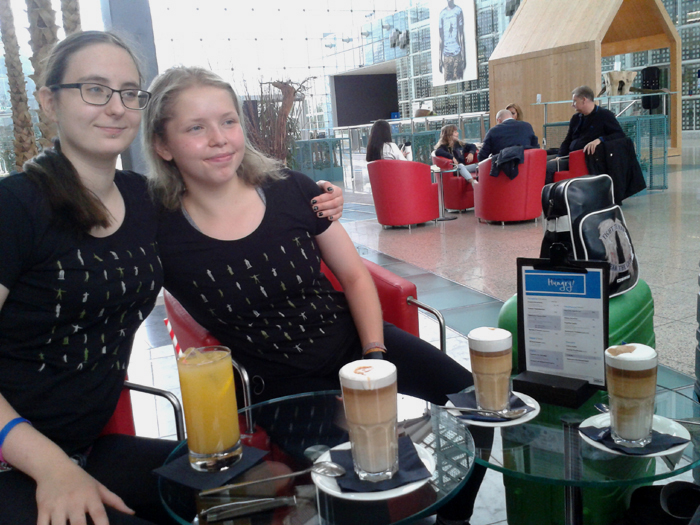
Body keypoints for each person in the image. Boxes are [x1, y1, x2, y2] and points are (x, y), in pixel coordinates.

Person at [0, 31, 344, 525]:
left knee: (265, 483)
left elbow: (229, 200)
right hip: (20, 460)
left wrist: (318, 198)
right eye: (94, 89)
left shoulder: (143, 201)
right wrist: (51, 468)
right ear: (49, 101)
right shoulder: (15, 206)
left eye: (129, 92)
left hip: (87, 447)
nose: (115, 107)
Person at [144, 66, 490, 525]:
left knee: (477, 403)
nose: (219, 138)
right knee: (358, 475)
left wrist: (374, 357)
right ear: (163, 145)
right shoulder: (156, 228)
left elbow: (355, 276)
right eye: (195, 128)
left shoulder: (291, 190)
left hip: (354, 343)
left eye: (228, 121)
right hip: (281, 383)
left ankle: (454, 519)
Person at [545, 85, 625, 184]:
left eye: (574, 101)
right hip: (569, 155)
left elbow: (619, 135)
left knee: (547, 167)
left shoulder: (605, 115)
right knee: (542, 161)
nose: (572, 105)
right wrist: (559, 155)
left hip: (585, 159)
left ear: (584, 100)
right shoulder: (576, 118)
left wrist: (599, 140)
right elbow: (568, 140)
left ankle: (547, 193)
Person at [438, 0, 466, 83]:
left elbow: (461, 35)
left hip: (457, 54)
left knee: (459, 81)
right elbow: (441, 38)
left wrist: (464, 56)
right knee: (447, 82)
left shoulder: (458, 11)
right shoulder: (442, 14)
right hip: (446, 56)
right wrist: (440, 59)